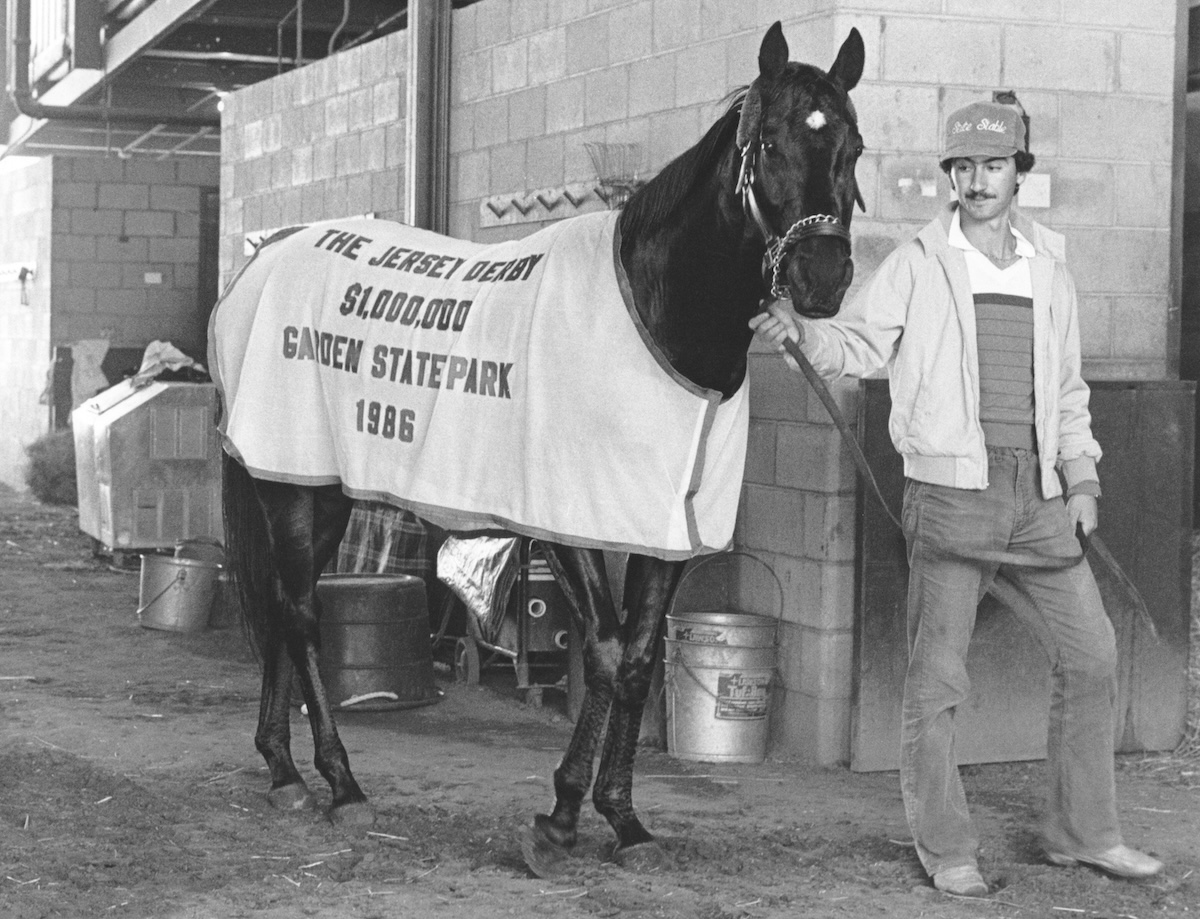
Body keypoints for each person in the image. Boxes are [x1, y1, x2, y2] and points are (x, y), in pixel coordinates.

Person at [750, 97, 1164, 897]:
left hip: (1040, 494)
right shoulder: (916, 262)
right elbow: (863, 343)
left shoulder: (1050, 265)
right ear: (950, 175)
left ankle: (1083, 832)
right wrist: (801, 330)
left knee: (1094, 654)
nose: (978, 181)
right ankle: (948, 846)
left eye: (994, 165)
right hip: (951, 495)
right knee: (937, 680)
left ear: (1019, 172)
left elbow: (1069, 391)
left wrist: (1082, 481)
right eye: (964, 167)